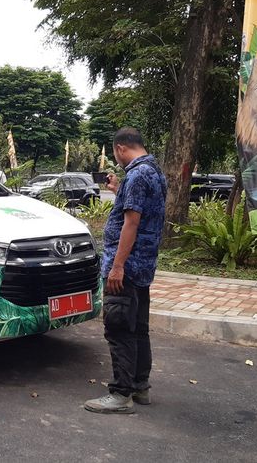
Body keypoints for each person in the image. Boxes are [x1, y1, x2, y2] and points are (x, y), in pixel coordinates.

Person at [84, 127, 167, 415]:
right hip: (143, 266)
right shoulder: (154, 171)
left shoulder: (136, 174)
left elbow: (131, 223)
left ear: (120, 148)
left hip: (127, 268)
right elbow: (142, 212)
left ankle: (121, 394)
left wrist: (117, 266)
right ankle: (140, 387)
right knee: (138, 328)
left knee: (119, 327)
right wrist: (119, 192)